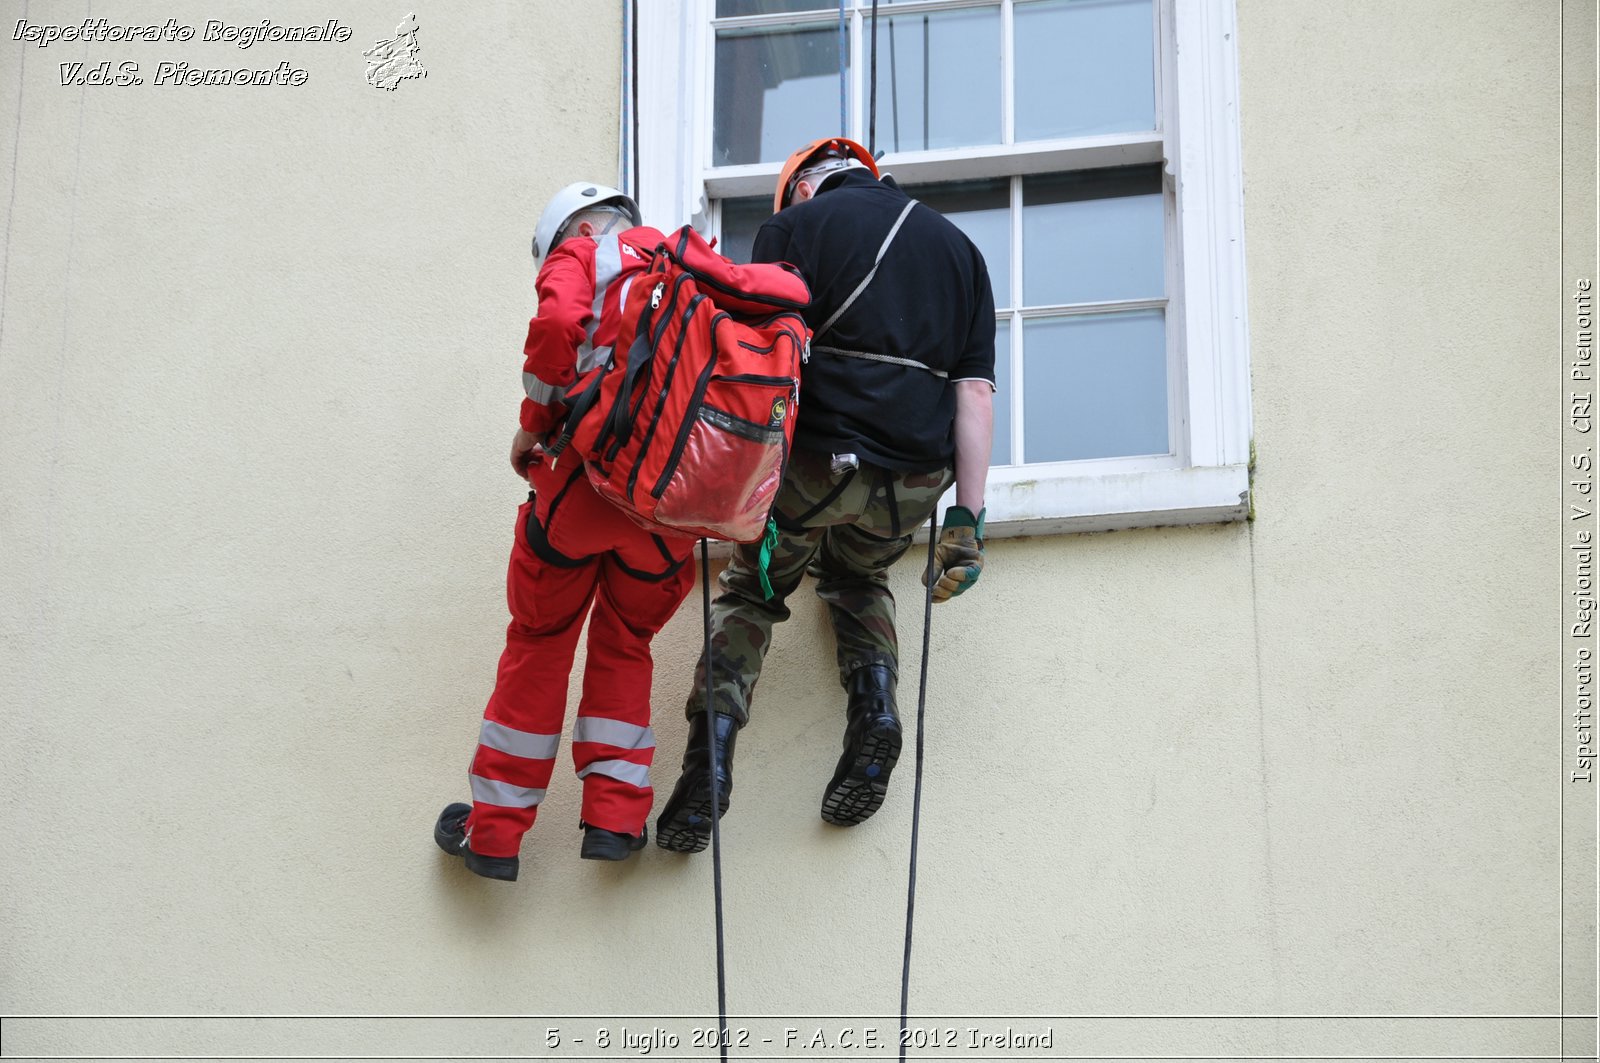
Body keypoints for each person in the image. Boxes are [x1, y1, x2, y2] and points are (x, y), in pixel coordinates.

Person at [655, 137, 995, 852]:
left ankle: (707, 758)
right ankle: (876, 716)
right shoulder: (962, 252)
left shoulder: (794, 229)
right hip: (909, 483)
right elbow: (974, 395)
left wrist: (725, 480)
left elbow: (757, 360)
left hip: (810, 472)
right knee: (859, 575)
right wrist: (965, 518)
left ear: (803, 190)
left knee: (753, 592)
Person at [434, 182, 697, 880]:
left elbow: (555, 329)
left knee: (541, 644)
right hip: (669, 511)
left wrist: (534, 422)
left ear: (569, 231)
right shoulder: (687, 262)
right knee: (625, 641)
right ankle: (615, 820)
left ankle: (493, 835)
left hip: (584, 488)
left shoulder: (583, 254)